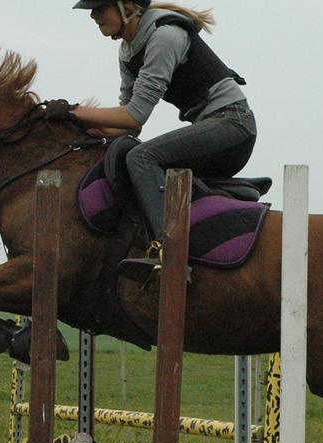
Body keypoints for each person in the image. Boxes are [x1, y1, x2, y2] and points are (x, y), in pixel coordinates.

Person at [70, 0, 256, 267]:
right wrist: (79, 125)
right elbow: (128, 125)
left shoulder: (165, 36)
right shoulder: (127, 51)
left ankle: (167, 251)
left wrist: (75, 111)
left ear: (127, 7)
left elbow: (135, 115)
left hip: (234, 126)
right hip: (216, 127)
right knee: (127, 149)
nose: (93, 15)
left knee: (141, 158)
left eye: (100, 7)